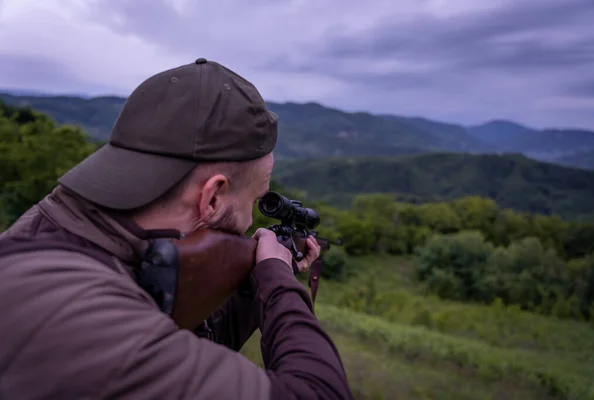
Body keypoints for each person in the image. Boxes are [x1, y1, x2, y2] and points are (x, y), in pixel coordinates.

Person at [0, 58, 354, 399]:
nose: (250, 223)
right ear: (212, 197)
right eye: (255, 199)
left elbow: (189, 337)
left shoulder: (59, 228)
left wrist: (254, 282)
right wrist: (278, 280)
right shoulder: (78, 316)